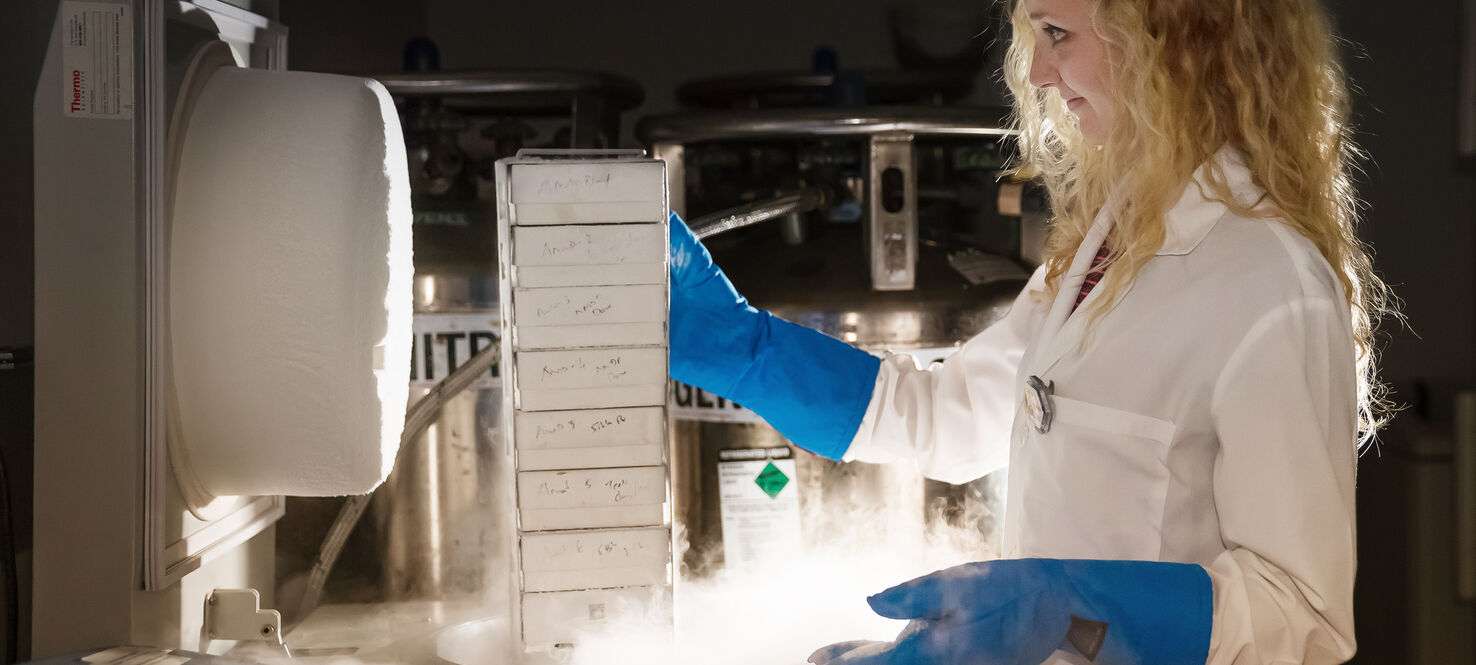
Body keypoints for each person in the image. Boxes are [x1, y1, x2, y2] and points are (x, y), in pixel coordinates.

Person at [667, 0, 1394, 663]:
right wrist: (745, 348)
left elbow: (1301, 616)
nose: (1040, 73)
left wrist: (1068, 610)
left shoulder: (1269, 284)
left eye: (1058, 34)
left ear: (1171, 36)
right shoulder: (1109, 242)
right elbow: (943, 416)